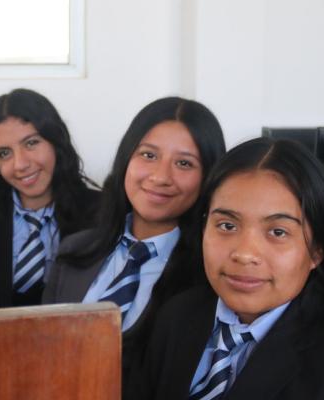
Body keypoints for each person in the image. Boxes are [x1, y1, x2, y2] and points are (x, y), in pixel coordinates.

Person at [135, 137, 324, 400]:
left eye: (278, 232)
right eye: (226, 225)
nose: (244, 254)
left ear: (317, 250)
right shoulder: (177, 317)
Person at [43, 97, 227, 391]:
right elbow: (41, 354)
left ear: (208, 178)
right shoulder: (74, 251)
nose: (160, 177)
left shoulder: (210, 279)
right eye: (148, 155)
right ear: (126, 158)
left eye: (184, 163)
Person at [0, 88, 100, 309]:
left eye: (31, 143)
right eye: (4, 153)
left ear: (55, 142)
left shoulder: (101, 212)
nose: (20, 164)